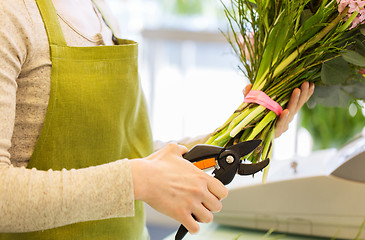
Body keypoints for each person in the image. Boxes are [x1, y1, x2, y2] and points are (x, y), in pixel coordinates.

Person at [0, 0, 315, 239]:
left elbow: (122, 148)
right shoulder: (10, 16)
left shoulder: (101, 11)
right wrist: (138, 180)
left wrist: (242, 132)